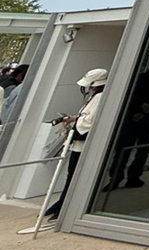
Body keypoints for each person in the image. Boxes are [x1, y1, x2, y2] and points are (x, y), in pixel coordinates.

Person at [25, 68, 107, 232]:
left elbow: (90, 121)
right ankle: (61, 203)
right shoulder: (95, 97)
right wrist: (73, 118)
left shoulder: (100, 97)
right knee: (71, 175)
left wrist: (76, 125)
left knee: (74, 175)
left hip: (83, 144)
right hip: (79, 143)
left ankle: (64, 206)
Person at [107, 55, 149, 189]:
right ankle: (116, 176)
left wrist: (143, 110)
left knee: (142, 150)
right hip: (136, 115)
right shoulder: (144, 77)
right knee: (124, 149)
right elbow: (133, 94)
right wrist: (140, 107)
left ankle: (133, 176)